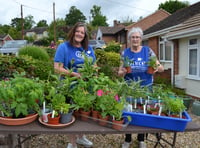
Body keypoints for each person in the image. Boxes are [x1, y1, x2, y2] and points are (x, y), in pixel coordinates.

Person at [118, 27, 164, 148]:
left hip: (145, 88)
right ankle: (127, 139)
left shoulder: (148, 51)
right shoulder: (125, 53)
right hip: (130, 89)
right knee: (129, 112)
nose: (135, 39)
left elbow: (161, 68)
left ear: (141, 39)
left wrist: (156, 68)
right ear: (129, 39)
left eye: (137, 37)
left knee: (143, 112)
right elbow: (119, 72)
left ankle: (141, 139)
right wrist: (122, 71)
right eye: (133, 37)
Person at [54, 22, 96, 148]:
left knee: (82, 112)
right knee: (70, 114)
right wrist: (74, 74)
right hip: (68, 86)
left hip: (84, 86)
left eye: (82, 32)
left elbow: (94, 66)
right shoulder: (64, 47)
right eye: (77, 31)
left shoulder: (88, 49)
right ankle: (72, 142)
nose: (79, 34)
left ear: (85, 35)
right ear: (73, 32)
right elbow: (57, 68)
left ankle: (81, 137)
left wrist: (93, 73)